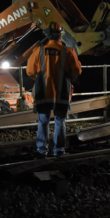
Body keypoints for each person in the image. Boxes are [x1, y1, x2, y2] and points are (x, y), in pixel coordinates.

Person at [27, 22, 82, 158]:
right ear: (61, 35)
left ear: (47, 35)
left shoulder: (38, 51)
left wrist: (40, 79)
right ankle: (59, 151)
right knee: (60, 122)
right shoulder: (68, 52)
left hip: (43, 93)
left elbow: (30, 72)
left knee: (43, 121)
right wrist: (68, 79)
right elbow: (77, 71)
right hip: (62, 93)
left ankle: (41, 151)